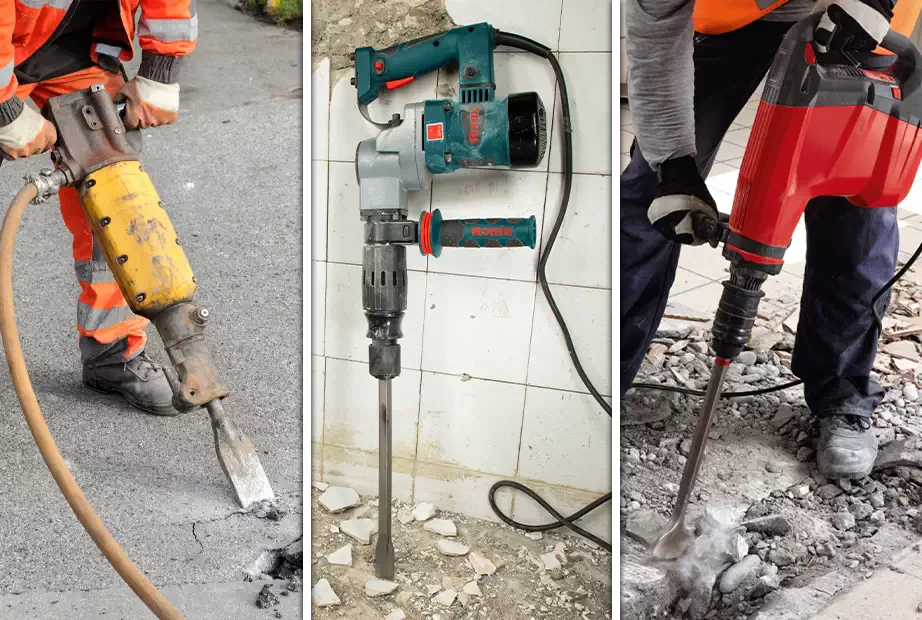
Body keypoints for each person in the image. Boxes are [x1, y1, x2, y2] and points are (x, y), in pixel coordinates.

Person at [622, 0, 922, 479]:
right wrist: (674, 165)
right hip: (732, 20)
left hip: (864, 17)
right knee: (650, 194)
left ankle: (842, 394)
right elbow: (656, 26)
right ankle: (609, 368)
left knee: (856, 197)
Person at [0, 0, 197, 415]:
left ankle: (112, 351)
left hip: (73, 52)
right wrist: (5, 111)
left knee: (117, 200)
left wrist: (161, 70)